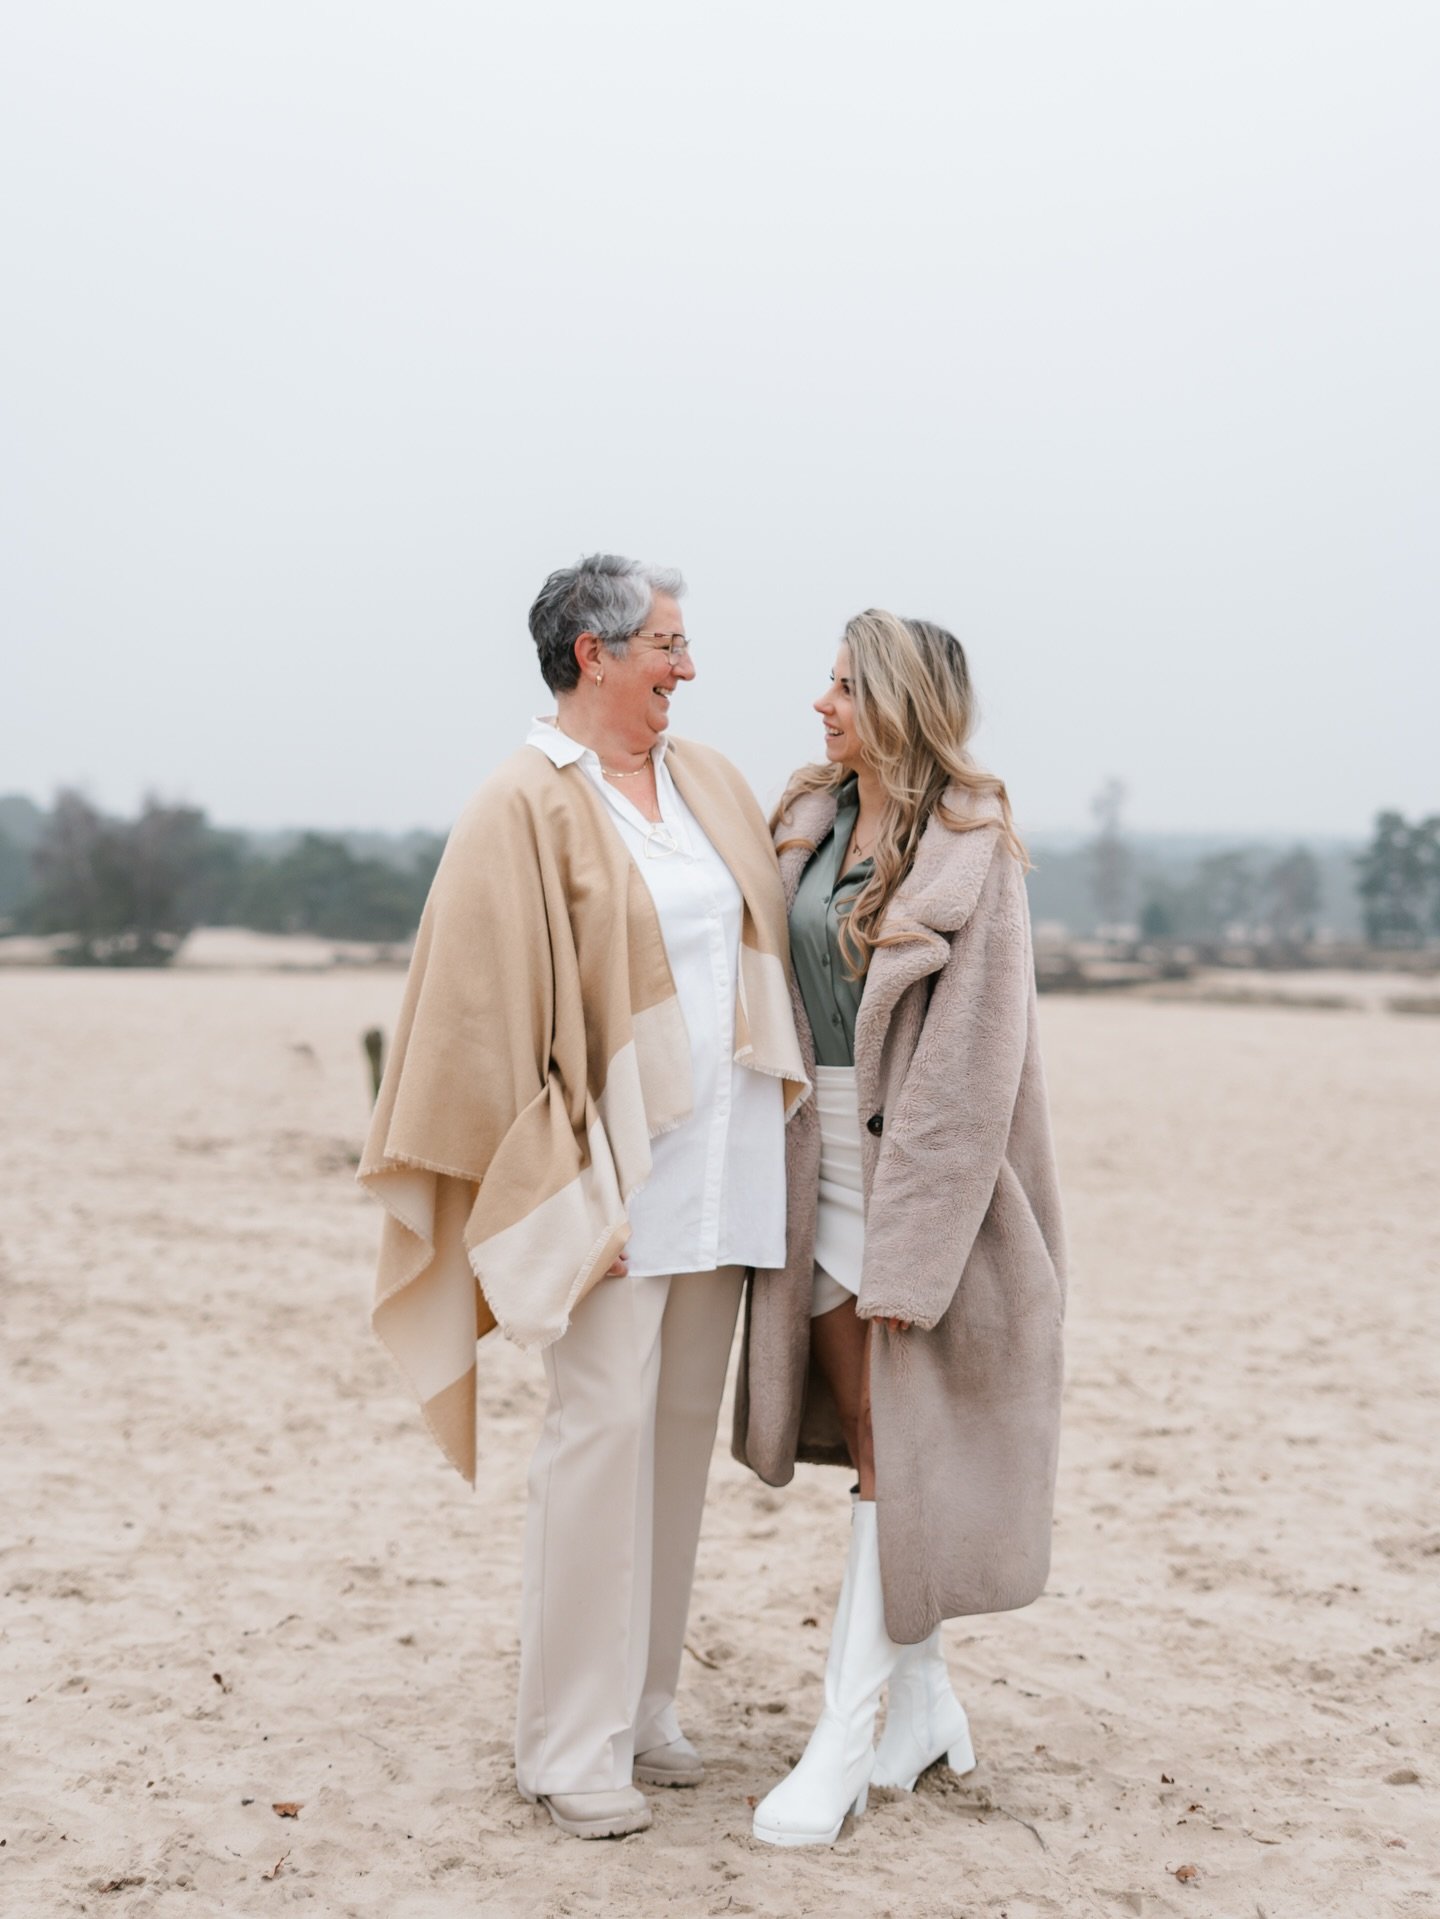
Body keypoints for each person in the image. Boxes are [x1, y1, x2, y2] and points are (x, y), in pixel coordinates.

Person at [360, 555, 806, 1840]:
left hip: (723, 1168)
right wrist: (558, 1194)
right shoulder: (521, 800)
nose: (688, 667)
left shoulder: (706, 778)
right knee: (596, 1439)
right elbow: (482, 1015)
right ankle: (566, 1743)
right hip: (612, 1181)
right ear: (593, 654)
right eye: (667, 644)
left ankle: (644, 1704)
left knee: (673, 1443)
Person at [734, 609, 1066, 1848]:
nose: (820, 704)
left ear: (898, 704)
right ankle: (924, 1706)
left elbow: (972, 1076)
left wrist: (917, 1253)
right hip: (808, 1162)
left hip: (916, 1176)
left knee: (897, 1442)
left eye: (843, 686)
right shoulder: (804, 819)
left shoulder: (976, 850)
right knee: (878, 1439)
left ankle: (845, 1729)